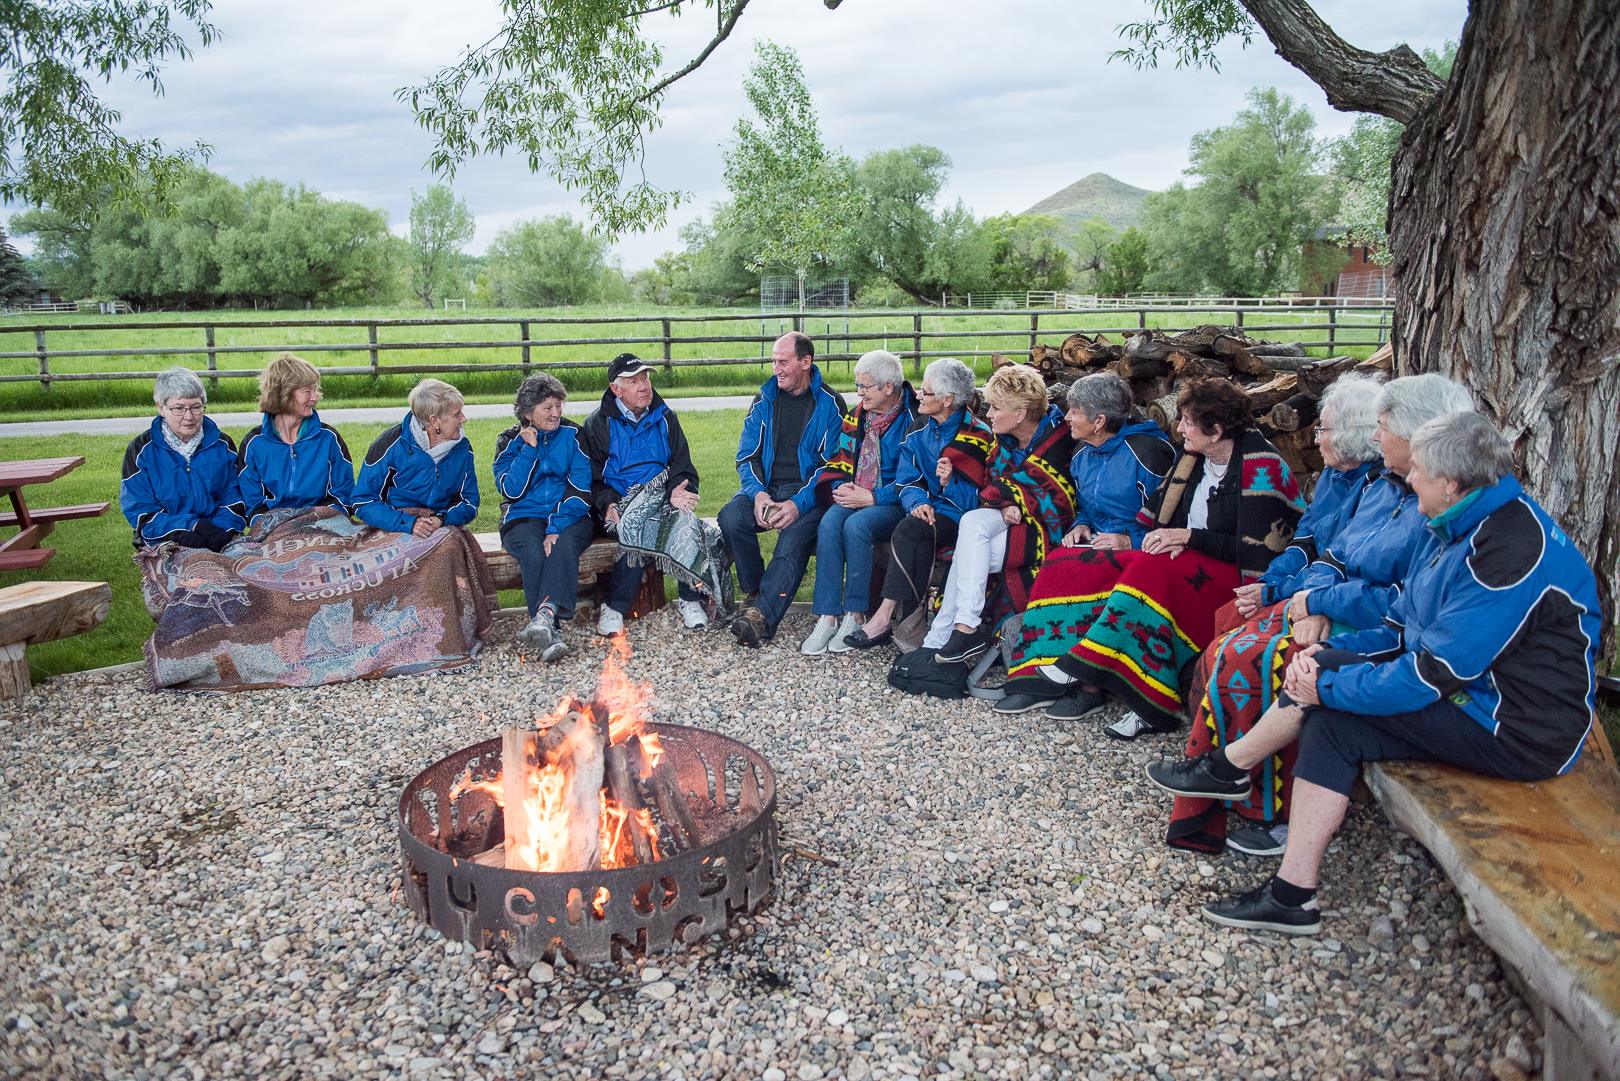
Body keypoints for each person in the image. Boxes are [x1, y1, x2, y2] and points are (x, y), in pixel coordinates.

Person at [1149, 411, 1603, 935]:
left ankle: (1285, 882)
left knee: (1333, 719)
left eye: (1419, 475)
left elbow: (1431, 675)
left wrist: (1327, 686)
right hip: (1474, 691)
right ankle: (1240, 790)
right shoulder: (1457, 521)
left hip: (1518, 727)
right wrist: (1326, 664)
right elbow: (1400, 623)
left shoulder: (1507, 553)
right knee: (1320, 674)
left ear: (1452, 484)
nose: (1408, 481)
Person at [998, 378, 1305, 737]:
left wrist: (1189, 538)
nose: (1179, 429)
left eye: (1187, 422)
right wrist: (1154, 539)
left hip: (1237, 579)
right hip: (1185, 558)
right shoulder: (1194, 460)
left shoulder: (1261, 467)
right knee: (1067, 563)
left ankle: (1121, 687)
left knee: (1148, 569)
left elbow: (1257, 553)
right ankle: (1045, 665)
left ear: (1216, 430)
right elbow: (1154, 515)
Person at [922, 363, 1078, 666]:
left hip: (1050, 532)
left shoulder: (1058, 442)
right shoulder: (1003, 444)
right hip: (1010, 522)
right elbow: (992, 490)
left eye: (995, 407)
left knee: (968, 553)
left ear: (1019, 413)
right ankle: (957, 630)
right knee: (972, 527)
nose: (989, 414)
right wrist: (1006, 501)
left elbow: (1061, 502)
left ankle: (945, 634)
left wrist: (1011, 498)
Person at [846, 357, 988, 649]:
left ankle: (886, 617)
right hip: (927, 511)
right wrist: (918, 502)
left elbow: (980, 501)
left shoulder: (978, 436)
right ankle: (910, 630)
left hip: (960, 517)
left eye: (927, 391)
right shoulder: (919, 429)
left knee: (910, 531)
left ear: (948, 400)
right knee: (915, 530)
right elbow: (906, 480)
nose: (919, 395)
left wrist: (951, 482)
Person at [722, 332, 847, 647]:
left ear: (806, 362)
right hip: (766, 486)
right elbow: (746, 457)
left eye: (783, 361)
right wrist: (759, 495)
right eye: (773, 361)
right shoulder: (763, 400)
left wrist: (796, 504)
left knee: (792, 541)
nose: (775, 368)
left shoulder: (832, 405)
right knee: (731, 517)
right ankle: (754, 592)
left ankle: (761, 618)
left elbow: (830, 467)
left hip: (809, 493)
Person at [579, 353, 708, 634]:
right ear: (616, 389)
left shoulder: (665, 418)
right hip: (621, 505)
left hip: (662, 502)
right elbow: (592, 479)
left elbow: (682, 466)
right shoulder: (598, 425)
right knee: (634, 526)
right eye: (634, 381)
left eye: (646, 379)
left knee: (686, 521)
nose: (644, 386)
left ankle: (690, 599)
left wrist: (677, 492)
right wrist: (608, 503)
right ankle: (614, 607)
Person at [800, 350, 918, 654]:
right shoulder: (857, 416)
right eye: (858, 386)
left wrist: (874, 497)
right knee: (829, 523)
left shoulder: (912, 420)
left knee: (857, 526)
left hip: (895, 502)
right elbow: (840, 461)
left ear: (888, 387)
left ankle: (855, 614)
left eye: (865, 387)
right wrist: (843, 488)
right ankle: (827, 616)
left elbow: (915, 478)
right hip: (859, 493)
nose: (859, 392)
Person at [493, 373, 595, 662]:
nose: (555, 413)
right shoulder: (509, 441)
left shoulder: (574, 436)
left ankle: (544, 618)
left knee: (562, 544)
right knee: (533, 552)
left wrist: (556, 524)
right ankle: (553, 630)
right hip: (523, 516)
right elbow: (511, 491)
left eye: (558, 406)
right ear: (527, 414)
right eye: (547, 408)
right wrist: (529, 450)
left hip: (570, 513)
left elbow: (580, 487)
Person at [120, 367, 246, 551]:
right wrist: (191, 526)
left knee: (246, 574)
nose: (189, 416)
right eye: (179, 408)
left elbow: (235, 498)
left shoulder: (223, 444)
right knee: (185, 577)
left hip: (219, 534)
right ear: (160, 408)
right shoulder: (141, 450)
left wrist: (219, 530)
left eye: (196, 407)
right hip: (166, 538)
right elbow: (141, 511)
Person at [351, 378, 478, 538]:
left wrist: (441, 519)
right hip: (394, 524)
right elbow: (363, 501)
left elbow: (469, 503)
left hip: (440, 525)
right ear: (434, 421)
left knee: (448, 550)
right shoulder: (390, 445)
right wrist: (409, 523)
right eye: (456, 414)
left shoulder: (463, 449)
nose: (464, 418)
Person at [237, 353, 355, 524]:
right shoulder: (254, 444)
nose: (314, 397)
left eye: (315, 390)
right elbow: (252, 505)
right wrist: (277, 524)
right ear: (282, 393)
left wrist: (315, 519)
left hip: (323, 523)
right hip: (274, 526)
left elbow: (344, 496)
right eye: (307, 391)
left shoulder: (329, 439)